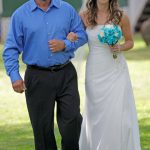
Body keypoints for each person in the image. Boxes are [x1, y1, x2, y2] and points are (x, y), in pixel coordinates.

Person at [2, 0, 87, 149]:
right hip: (37, 77)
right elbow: (11, 49)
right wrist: (15, 77)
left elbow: (82, 35)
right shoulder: (20, 15)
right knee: (42, 129)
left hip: (66, 73)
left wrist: (65, 44)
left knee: (73, 121)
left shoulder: (66, 9)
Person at [67, 0, 141, 149]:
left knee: (116, 113)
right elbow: (76, 36)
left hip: (116, 71)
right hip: (95, 70)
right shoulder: (84, 16)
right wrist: (72, 36)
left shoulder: (121, 16)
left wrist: (119, 47)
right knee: (96, 113)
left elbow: (130, 42)